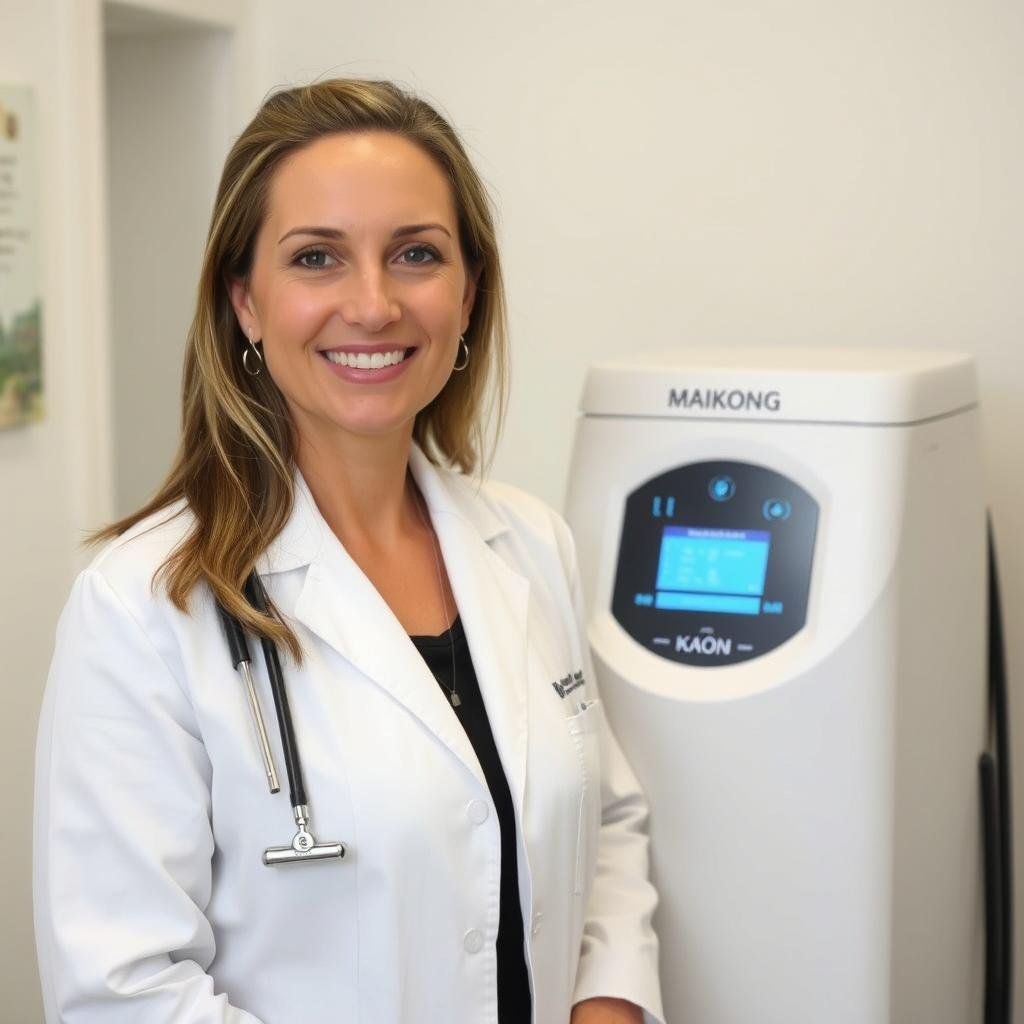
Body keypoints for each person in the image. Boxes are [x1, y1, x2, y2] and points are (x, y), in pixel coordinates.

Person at [33, 79, 664, 1024]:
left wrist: (608, 1005)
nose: (372, 306)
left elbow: (604, 831)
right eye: (317, 258)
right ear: (245, 301)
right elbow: (124, 992)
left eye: (416, 254)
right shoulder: (141, 606)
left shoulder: (532, 544)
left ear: (467, 294)